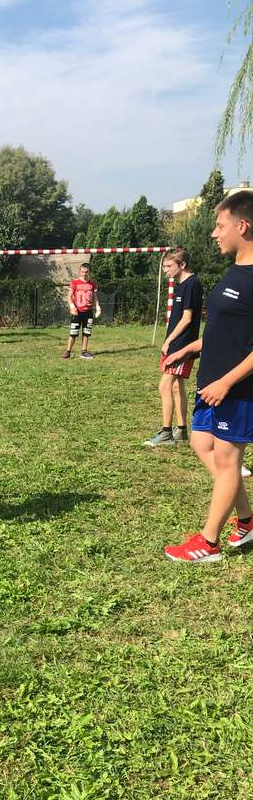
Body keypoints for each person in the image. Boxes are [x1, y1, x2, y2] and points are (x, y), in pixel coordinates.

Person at [163, 190, 253, 561]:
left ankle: (208, 542)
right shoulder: (234, 270)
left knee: (228, 459)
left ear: (242, 226)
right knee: (202, 444)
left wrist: (227, 381)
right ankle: (247, 519)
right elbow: (222, 330)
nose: (214, 233)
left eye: (219, 225)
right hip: (210, 384)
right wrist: (188, 348)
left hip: (237, 389)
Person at [144, 248, 204, 447]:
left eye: (169, 266)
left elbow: (187, 319)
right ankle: (181, 430)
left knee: (164, 386)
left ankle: (166, 433)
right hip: (177, 344)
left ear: (182, 264)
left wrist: (169, 340)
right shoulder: (182, 285)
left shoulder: (192, 284)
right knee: (177, 386)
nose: (165, 270)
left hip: (181, 346)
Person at [62, 263, 101, 359]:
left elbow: (95, 297)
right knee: (73, 332)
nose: (84, 274)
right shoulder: (75, 282)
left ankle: (84, 351)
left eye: (86, 272)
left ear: (89, 272)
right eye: (83, 272)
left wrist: (98, 307)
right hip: (77, 311)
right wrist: (72, 306)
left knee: (86, 332)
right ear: (79, 272)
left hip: (88, 311)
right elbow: (69, 296)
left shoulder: (92, 283)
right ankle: (68, 351)